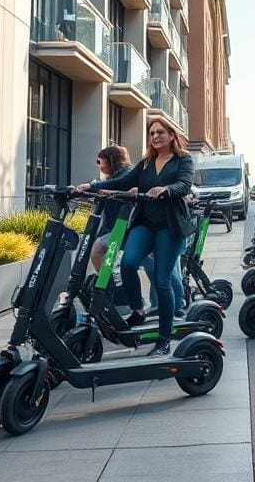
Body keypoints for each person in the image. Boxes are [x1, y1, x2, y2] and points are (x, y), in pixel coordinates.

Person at [76, 117, 193, 356]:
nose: (155, 137)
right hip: (145, 224)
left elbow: (184, 184)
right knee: (129, 263)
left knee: (161, 280)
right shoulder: (147, 162)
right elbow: (124, 181)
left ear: (171, 135)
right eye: (152, 133)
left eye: (160, 132)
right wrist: (92, 187)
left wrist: (166, 189)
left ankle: (164, 340)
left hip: (169, 227)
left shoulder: (183, 160)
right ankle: (138, 310)